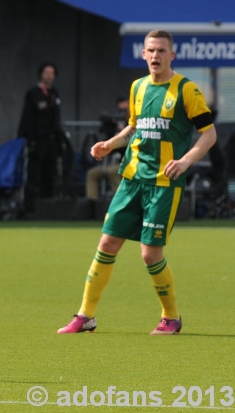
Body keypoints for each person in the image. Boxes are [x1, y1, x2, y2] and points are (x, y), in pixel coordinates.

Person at [57, 30, 217, 335]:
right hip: (132, 180)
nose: (155, 56)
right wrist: (110, 143)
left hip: (163, 184)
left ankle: (171, 317)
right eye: (150, 50)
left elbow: (209, 134)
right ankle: (85, 316)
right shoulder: (137, 87)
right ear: (143, 54)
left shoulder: (186, 90)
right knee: (107, 242)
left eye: (161, 50)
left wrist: (184, 161)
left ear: (172, 55)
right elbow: (134, 126)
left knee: (149, 253)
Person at [17, 62, 63, 216]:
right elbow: (27, 118)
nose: (49, 76)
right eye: (46, 73)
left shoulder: (55, 93)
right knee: (34, 174)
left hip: (52, 140)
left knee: (50, 174)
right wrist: (30, 140)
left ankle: (48, 209)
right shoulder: (33, 93)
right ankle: (30, 209)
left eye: (51, 73)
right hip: (38, 140)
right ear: (41, 74)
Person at [85, 96, 129, 200]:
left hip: (126, 163)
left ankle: (120, 201)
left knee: (111, 171)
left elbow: (129, 139)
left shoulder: (131, 124)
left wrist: (123, 131)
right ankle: (92, 205)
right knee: (91, 174)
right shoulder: (114, 125)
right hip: (109, 163)